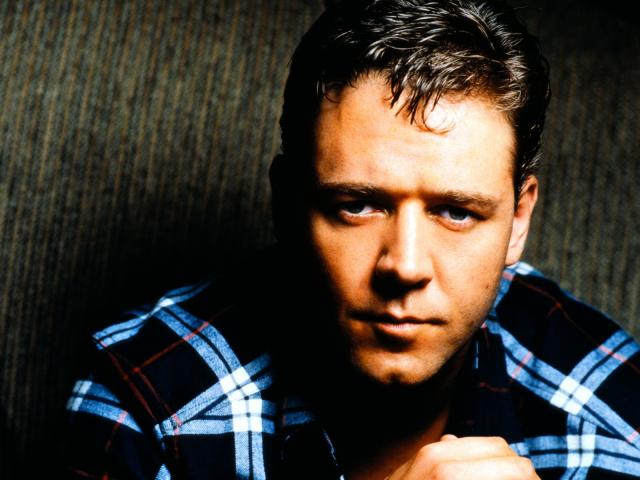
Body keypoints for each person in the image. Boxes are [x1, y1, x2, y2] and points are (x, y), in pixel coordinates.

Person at [63, 0, 640, 478]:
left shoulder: (618, 420)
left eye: (456, 212)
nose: (405, 266)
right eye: (357, 205)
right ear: (288, 207)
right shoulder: (146, 403)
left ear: (517, 221)